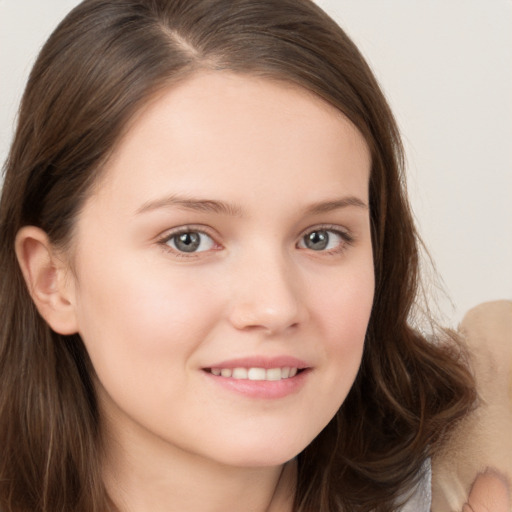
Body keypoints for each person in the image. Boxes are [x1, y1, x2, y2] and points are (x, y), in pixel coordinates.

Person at [0, 1, 477, 511]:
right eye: (188, 239)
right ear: (53, 279)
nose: (275, 307)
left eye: (321, 237)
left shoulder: (477, 474)